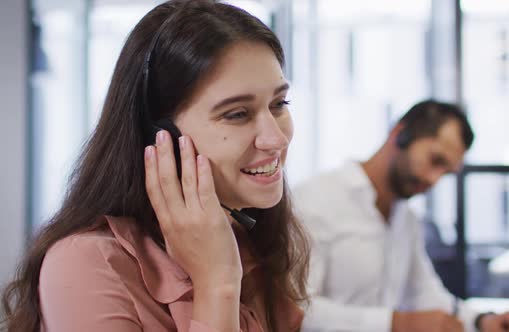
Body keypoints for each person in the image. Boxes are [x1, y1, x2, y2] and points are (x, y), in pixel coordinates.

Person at [1, 1, 310, 331]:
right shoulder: (84, 265)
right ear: (158, 135)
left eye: (279, 104)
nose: (275, 139)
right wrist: (216, 285)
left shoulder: (248, 236)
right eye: (237, 114)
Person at [294, 100, 509, 332]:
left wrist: (481, 321)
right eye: (435, 160)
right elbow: (294, 311)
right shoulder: (316, 200)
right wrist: (396, 324)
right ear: (400, 134)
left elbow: (425, 294)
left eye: (445, 172)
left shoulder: (406, 218)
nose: (434, 180)